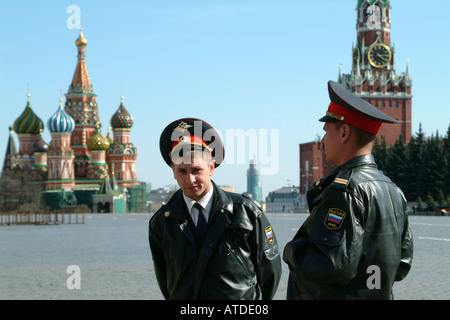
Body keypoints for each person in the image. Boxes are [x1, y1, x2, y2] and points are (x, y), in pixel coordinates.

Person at [283, 80, 414, 299]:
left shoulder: (344, 191)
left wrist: (291, 249)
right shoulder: (393, 190)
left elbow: (329, 264)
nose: (323, 140)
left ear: (344, 132)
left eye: (326, 131)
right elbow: (402, 264)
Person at [149, 117, 282, 300]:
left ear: (211, 167)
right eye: (182, 171)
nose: (190, 180)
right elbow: (167, 282)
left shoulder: (246, 212)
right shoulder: (162, 223)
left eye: (196, 170)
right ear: (173, 170)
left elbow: (270, 273)